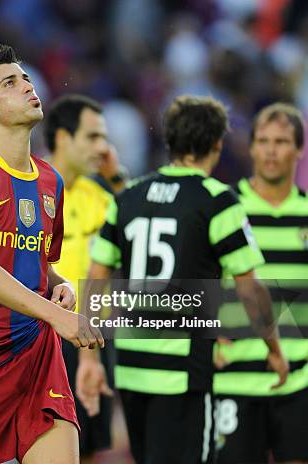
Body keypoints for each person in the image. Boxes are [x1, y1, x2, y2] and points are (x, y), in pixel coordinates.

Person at [78, 95, 289, 463]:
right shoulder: (216, 201)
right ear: (217, 144)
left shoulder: (128, 197)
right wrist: (274, 348)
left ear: (170, 141)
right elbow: (250, 288)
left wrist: (90, 361)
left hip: (131, 369)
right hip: (183, 373)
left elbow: (96, 279)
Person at [0, 44, 103, 464]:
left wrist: (59, 288)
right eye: (10, 83)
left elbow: (40, 264)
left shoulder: (51, 180)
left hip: (37, 358)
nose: (28, 86)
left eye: (25, 78)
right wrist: (57, 314)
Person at [213, 103, 308, 463]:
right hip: (234, 375)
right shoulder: (224, 206)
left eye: (281, 141)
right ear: (251, 148)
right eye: (263, 141)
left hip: (300, 376)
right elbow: (200, 276)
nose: (271, 150)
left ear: (299, 149)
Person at [44, 94, 117, 463]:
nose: (102, 148)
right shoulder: (31, 189)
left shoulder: (101, 196)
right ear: (62, 138)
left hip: (95, 335)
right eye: (92, 137)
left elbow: (146, 222)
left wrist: (117, 178)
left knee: (88, 449)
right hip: (44, 336)